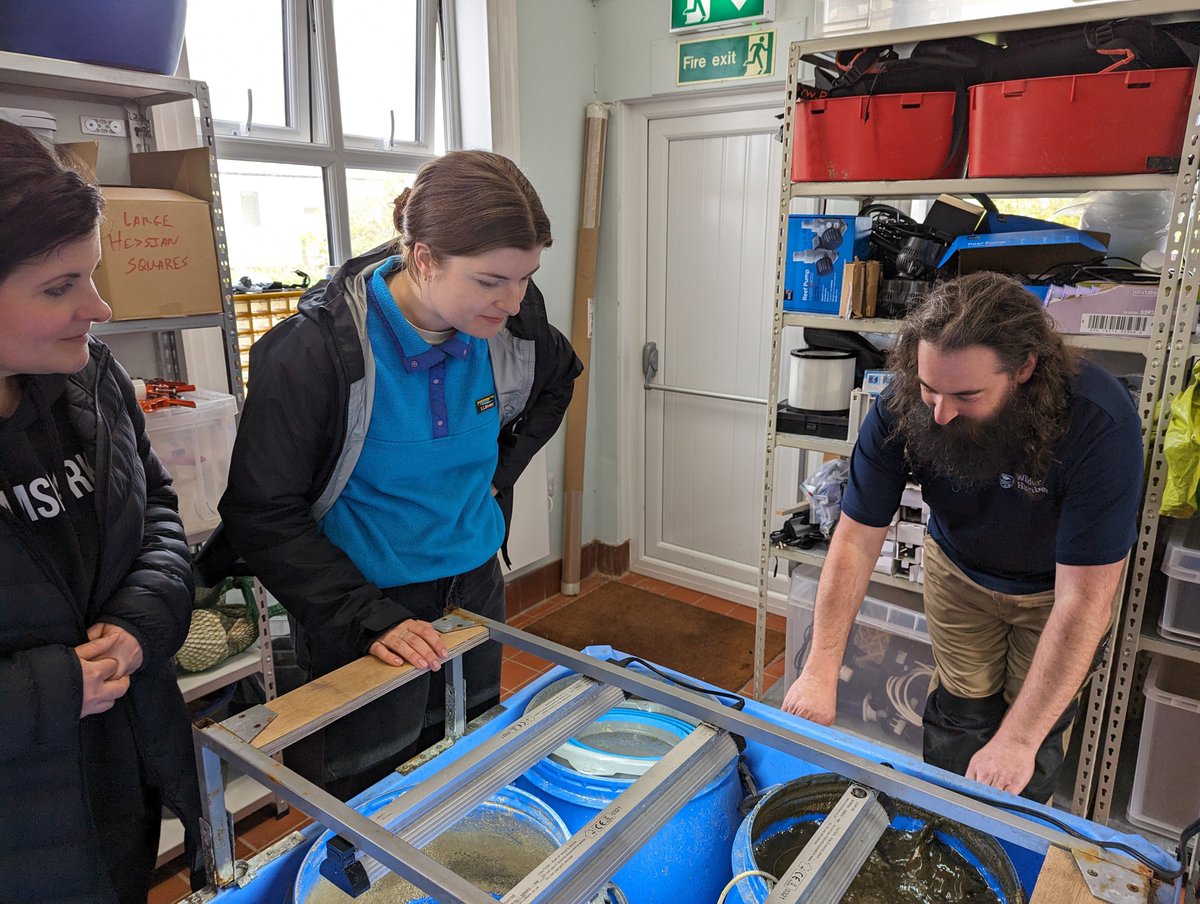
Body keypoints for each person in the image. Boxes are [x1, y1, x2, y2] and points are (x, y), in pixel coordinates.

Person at [210, 150, 582, 798]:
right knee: (377, 790)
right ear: (424, 257)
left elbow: (559, 379)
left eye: (526, 277)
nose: (515, 299)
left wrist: (498, 476)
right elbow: (259, 513)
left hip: (473, 586)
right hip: (362, 604)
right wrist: (367, 618)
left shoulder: (511, 325)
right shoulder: (312, 353)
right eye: (492, 279)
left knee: (468, 763)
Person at [782, 271, 1143, 803]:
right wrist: (819, 671)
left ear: (1024, 369)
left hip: (1056, 593)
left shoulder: (1097, 422)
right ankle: (942, 816)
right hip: (958, 571)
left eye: (967, 395)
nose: (942, 413)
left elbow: (1083, 602)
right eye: (930, 389)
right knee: (959, 716)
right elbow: (856, 541)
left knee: (1030, 740)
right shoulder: (906, 407)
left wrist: (1017, 740)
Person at [0, 120, 202, 902]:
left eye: (91, 274)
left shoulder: (90, 377)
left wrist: (139, 623)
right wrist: (49, 690)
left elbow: (154, 510)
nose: (102, 306)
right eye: (59, 289)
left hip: (119, 773)